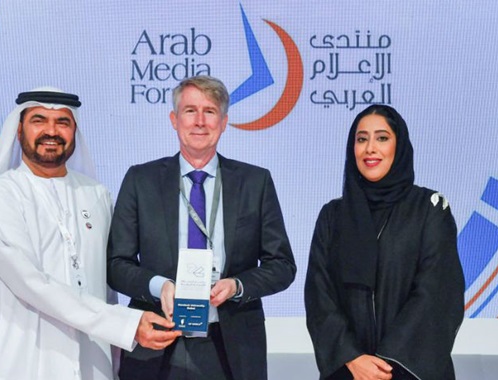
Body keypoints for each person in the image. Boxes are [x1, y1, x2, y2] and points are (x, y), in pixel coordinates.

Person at [0, 88, 180, 380]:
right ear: (19, 129)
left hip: (93, 359)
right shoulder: (1, 195)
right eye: (39, 120)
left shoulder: (96, 195)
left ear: (75, 131)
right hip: (27, 358)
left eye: (62, 122)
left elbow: (108, 282)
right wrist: (125, 324)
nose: (51, 131)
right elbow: (30, 282)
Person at [107, 75, 296, 380]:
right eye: (190, 111)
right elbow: (116, 265)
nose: (199, 121)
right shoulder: (141, 180)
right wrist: (160, 286)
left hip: (231, 344)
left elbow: (282, 265)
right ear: (174, 119)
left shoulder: (254, 182)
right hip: (156, 338)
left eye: (209, 112)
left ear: (223, 122)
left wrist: (236, 286)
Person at [304, 104, 464, 380]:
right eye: (361, 139)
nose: (370, 149)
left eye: (382, 138)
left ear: (399, 146)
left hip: (410, 372)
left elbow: (436, 294)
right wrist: (351, 357)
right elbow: (320, 296)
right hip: (348, 372)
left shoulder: (429, 209)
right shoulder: (333, 216)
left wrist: (388, 363)